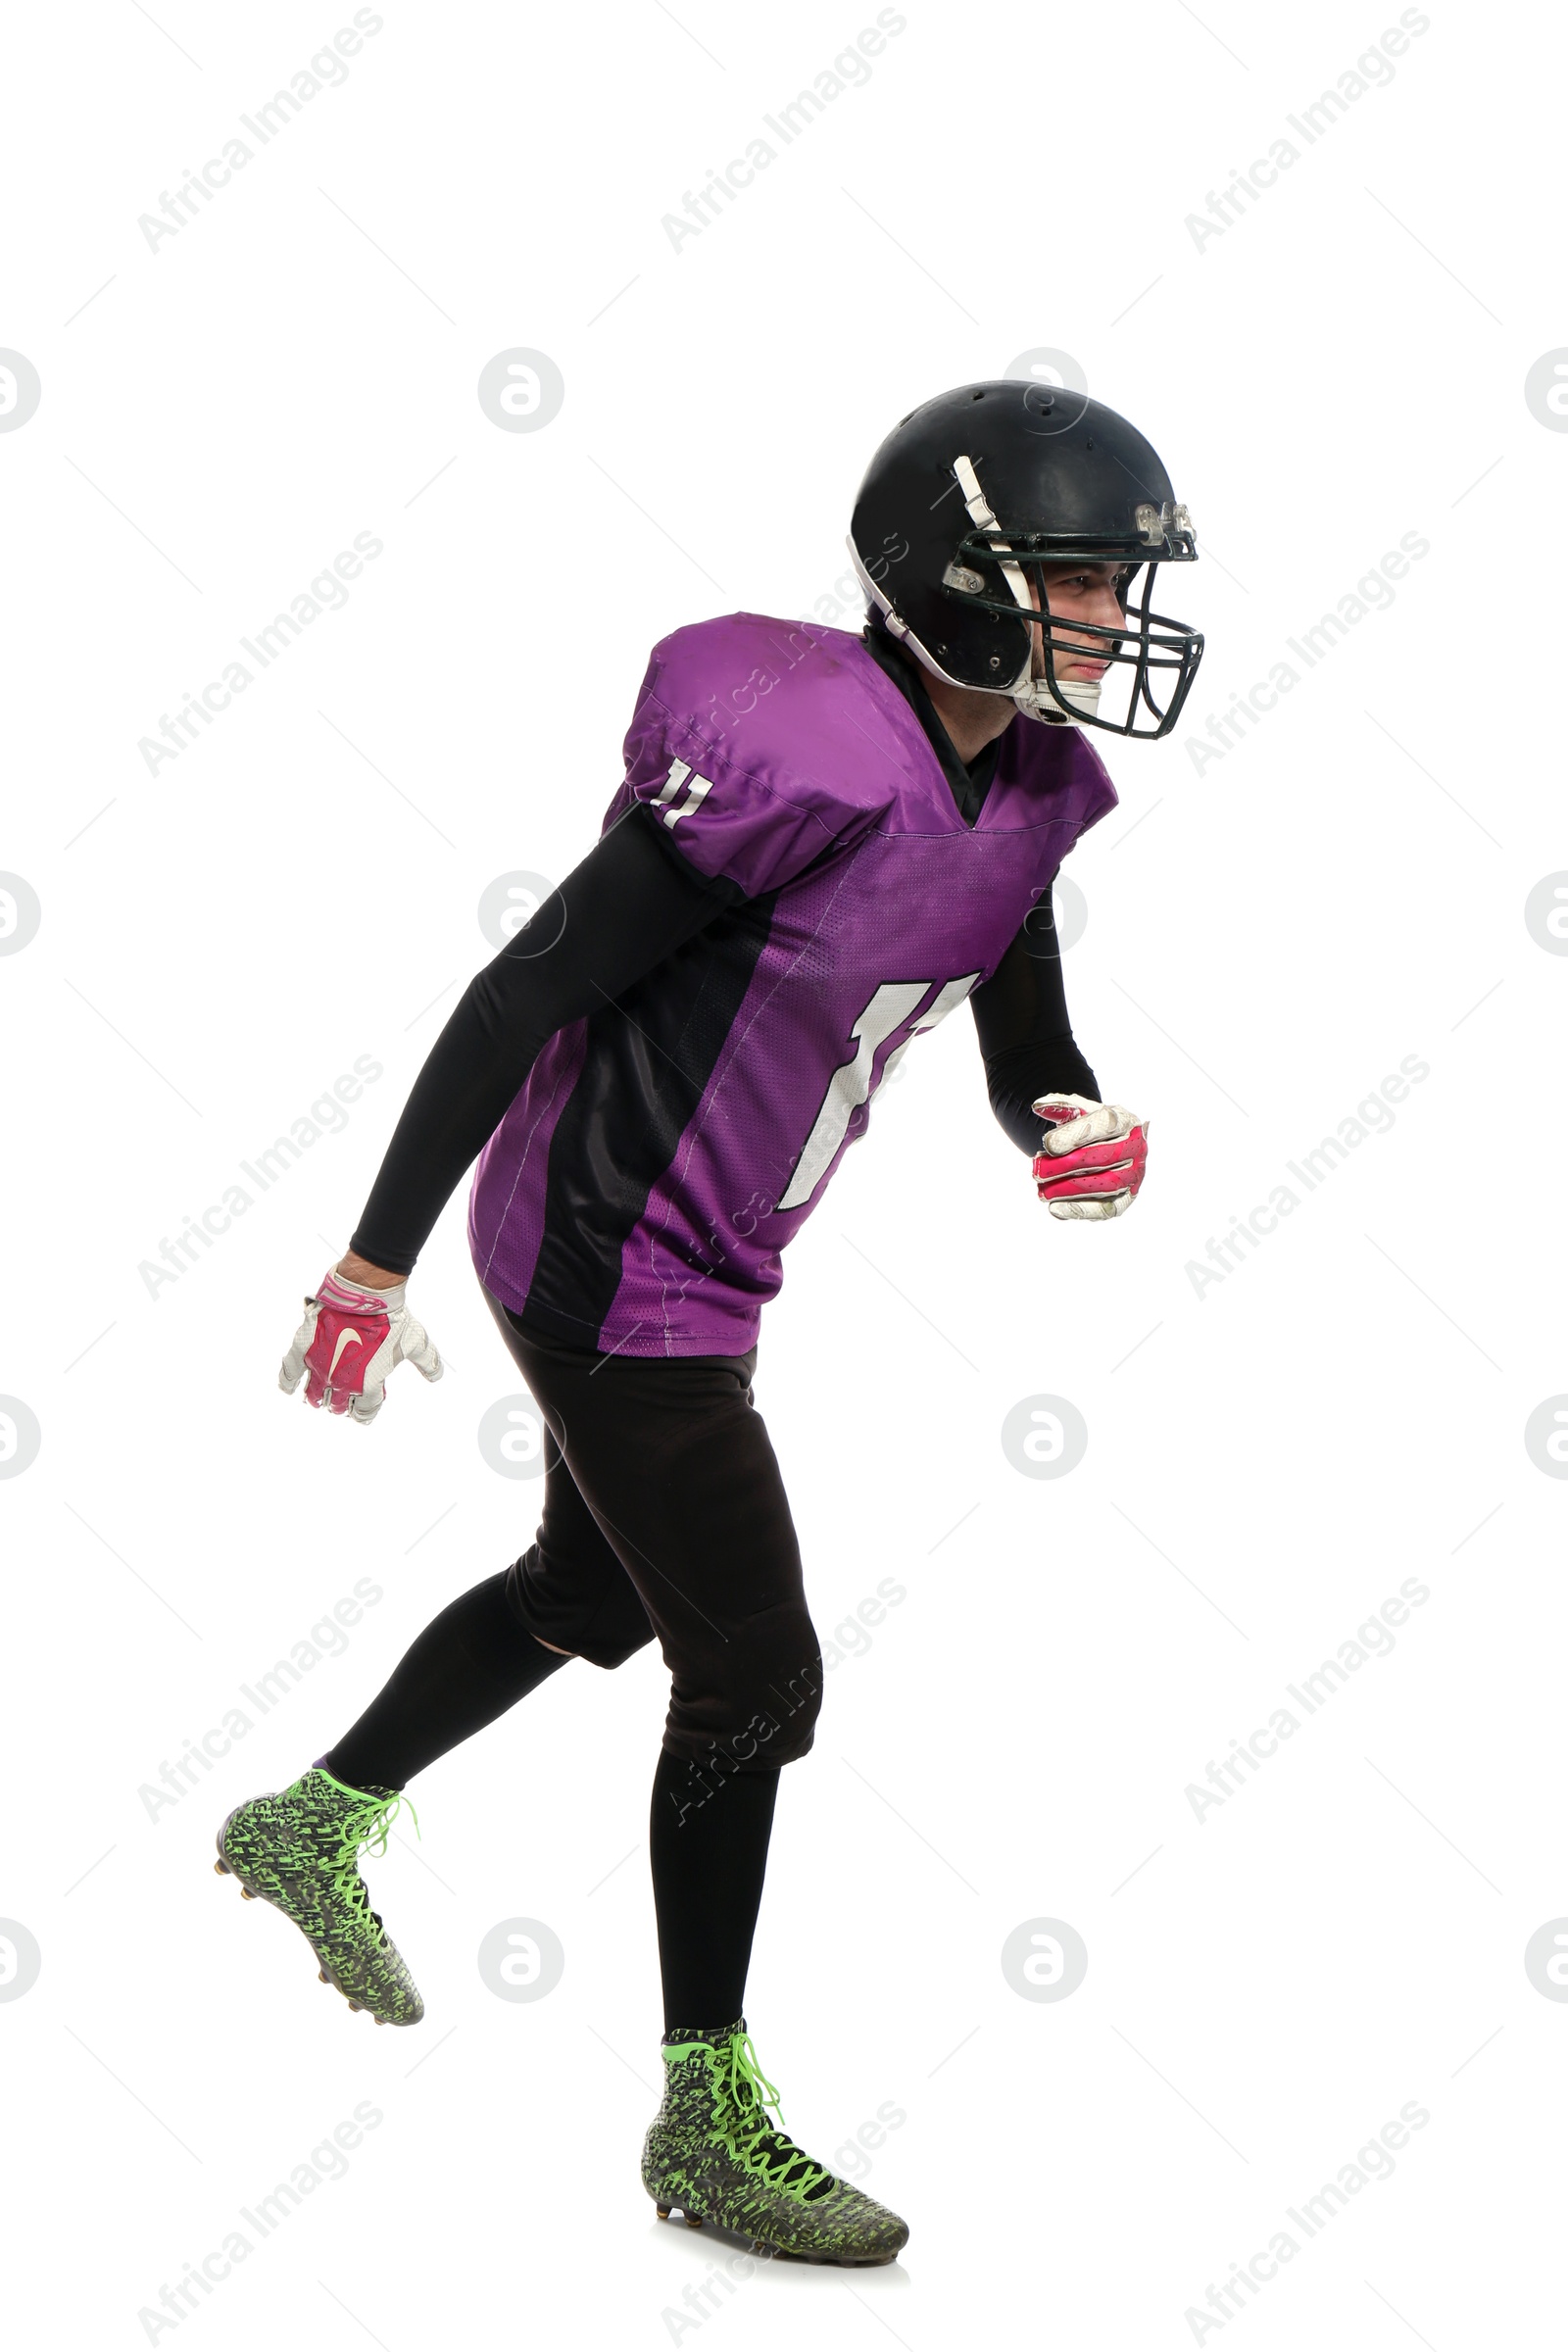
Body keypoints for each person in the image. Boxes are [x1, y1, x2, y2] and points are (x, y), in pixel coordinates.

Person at [214, 378, 1202, 2265]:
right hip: (604, 1257)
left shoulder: (1037, 792)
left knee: (593, 1595)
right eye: (1075, 581)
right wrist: (370, 1256)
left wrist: (1064, 1117)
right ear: (960, 577)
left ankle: (313, 1819)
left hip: (709, 1258)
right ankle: (708, 2113)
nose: (1105, 620)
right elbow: (526, 989)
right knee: (757, 1677)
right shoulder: (798, 746)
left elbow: (1026, 1033)